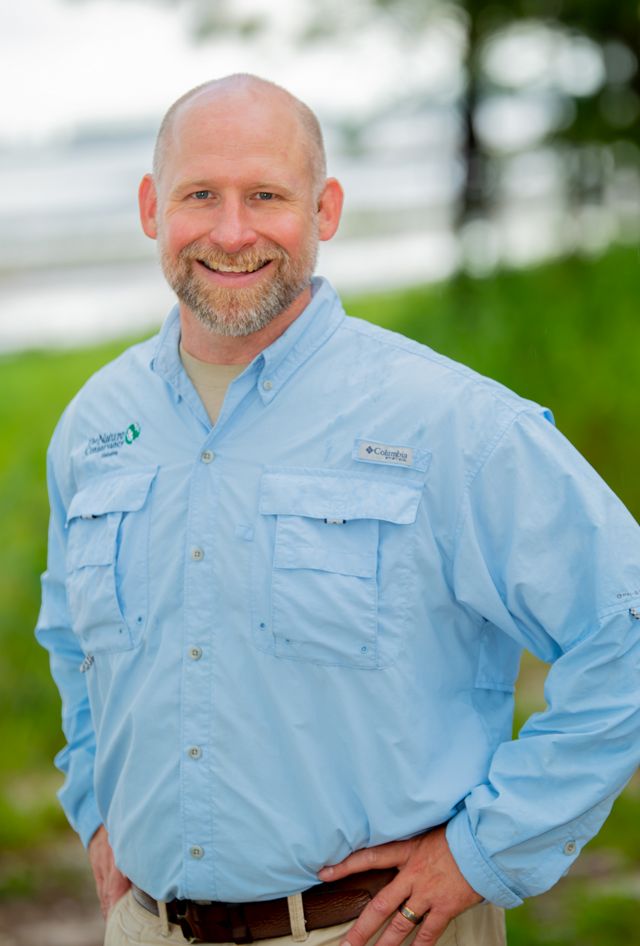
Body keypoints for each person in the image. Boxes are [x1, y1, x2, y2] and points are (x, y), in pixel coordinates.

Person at [36, 74, 640, 946]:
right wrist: (95, 808)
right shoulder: (94, 425)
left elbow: (623, 629)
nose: (232, 230)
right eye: (200, 194)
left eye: (267, 196)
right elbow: (73, 645)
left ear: (325, 210)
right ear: (150, 207)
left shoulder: (452, 424)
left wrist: (485, 852)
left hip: (376, 933)